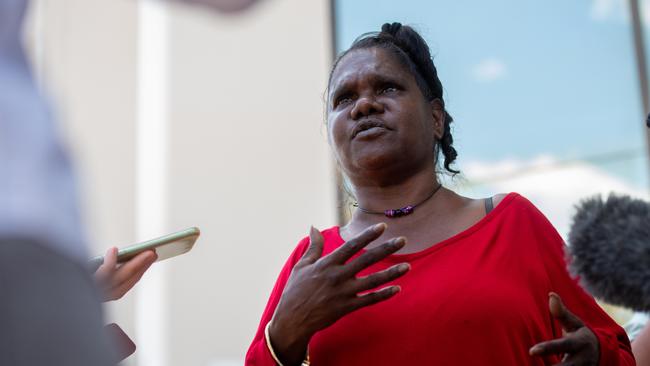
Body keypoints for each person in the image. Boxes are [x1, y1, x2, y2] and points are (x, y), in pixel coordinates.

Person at [245, 23, 634, 365]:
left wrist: (597, 356)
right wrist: (284, 334)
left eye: (387, 87)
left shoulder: (514, 224)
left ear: (436, 118)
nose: (364, 104)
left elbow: (616, 351)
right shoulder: (312, 261)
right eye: (343, 99)